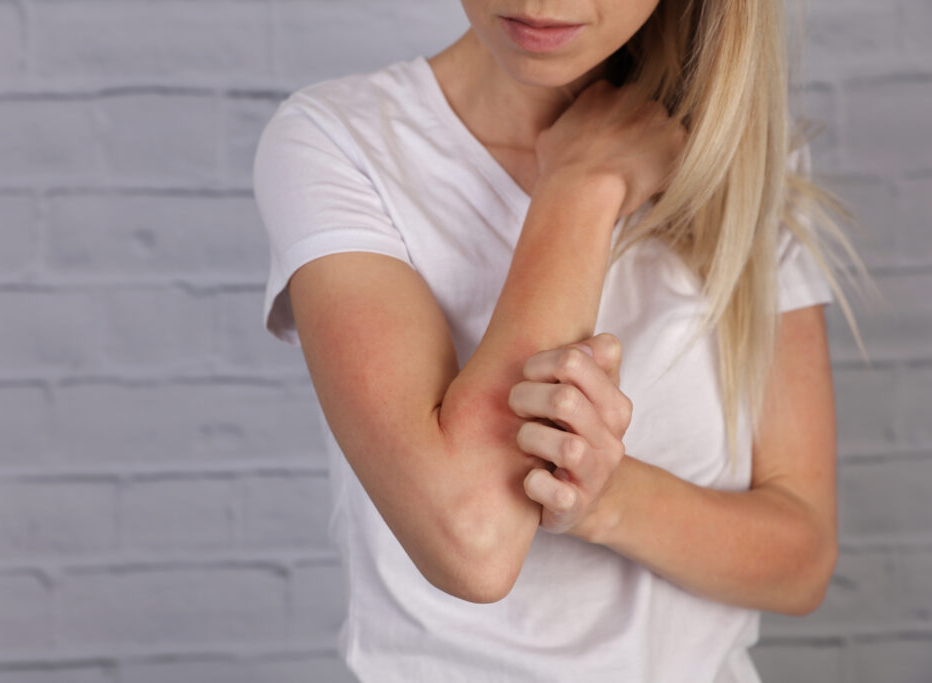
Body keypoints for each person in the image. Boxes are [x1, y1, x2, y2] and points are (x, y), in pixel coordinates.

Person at [253, 1, 873, 681]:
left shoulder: (744, 157)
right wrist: (582, 187)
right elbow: (474, 544)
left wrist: (604, 498)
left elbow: (802, 560)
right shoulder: (341, 144)